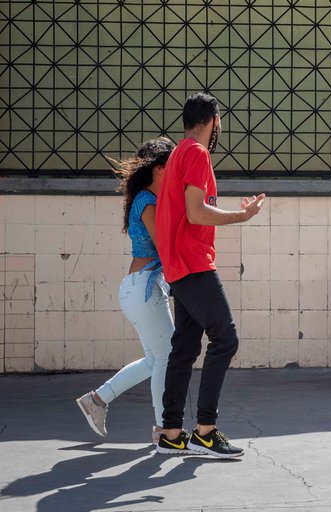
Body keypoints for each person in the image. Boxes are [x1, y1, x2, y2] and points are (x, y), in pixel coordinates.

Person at [154, 93, 265, 458]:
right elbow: (197, 213)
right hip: (194, 265)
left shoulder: (177, 154)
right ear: (215, 121)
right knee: (226, 339)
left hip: (178, 267)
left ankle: (171, 434)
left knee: (184, 349)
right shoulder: (197, 154)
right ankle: (205, 431)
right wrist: (241, 216)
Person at [76, 137, 176, 444]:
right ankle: (163, 430)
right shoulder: (148, 200)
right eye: (173, 165)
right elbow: (164, 245)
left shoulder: (147, 199)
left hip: (141, 287)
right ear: (160, 169)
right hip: (145, 287)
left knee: (154, 359)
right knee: (165, 358)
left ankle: (97, 399)